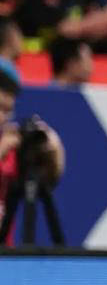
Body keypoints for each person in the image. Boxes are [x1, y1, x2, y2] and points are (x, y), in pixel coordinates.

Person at [0, 66, 65, 243]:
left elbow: (50, 181)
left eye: (8, 111)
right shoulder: (5, 145)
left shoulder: (13, 143)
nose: (3, 118)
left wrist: (54, 151)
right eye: (0, 108)